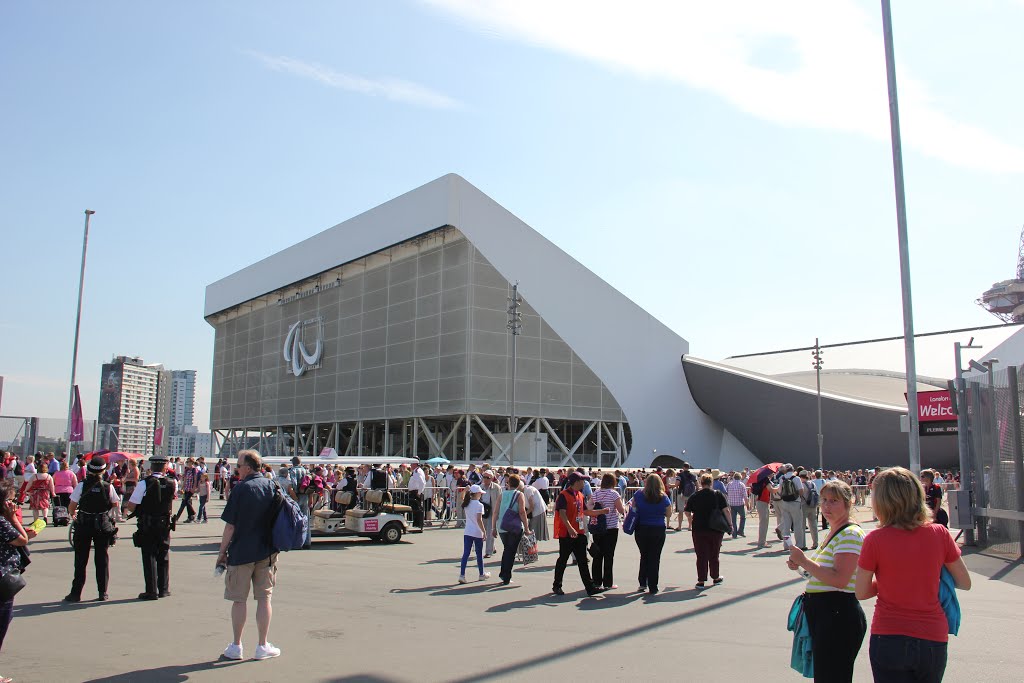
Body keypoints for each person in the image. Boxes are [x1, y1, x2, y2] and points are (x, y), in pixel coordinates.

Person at [855, 468, 971, 683]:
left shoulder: (875, 539)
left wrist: (892, 579)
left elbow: (861, 592)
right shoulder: (940, 533)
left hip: (889, 635)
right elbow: (964, 582)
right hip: (932, 635)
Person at [787, 480, 866, 683]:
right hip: (828, 613)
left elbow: (840, 579)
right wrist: (802, 565)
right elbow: (824, 574)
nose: (826, 506)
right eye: (824, 500)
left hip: (837, 614)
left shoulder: (849, 534)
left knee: (832, 675)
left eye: (834, 501)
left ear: (848, 504)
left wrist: (804, 561)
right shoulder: (835, 532)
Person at [218, 450, 281, 661]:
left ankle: (236, 645)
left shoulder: (241, 489)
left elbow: (230, 526)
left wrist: (221, 553)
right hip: (267, 550)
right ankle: (262, 645)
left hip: (241, 551)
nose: (237, 468)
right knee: (264, 598)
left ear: (248, 467)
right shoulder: (272, 486)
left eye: (239, 465)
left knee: (239, 600)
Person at [63, 456, 119, 602]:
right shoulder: (108, 486)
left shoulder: (82, 485)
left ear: (89, 470)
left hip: (84, 523)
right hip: (101, 523)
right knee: (102, 558)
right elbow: (115, 504)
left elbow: (72, 506)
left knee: (81, 560)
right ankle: (103, 592)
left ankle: (76, 593)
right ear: (104, 470)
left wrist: (74, 514)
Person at [125, 454, 177, 600]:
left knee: (149, 556)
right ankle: (164, 589)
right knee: (163, 555)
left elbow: (131, 506)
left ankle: (151, 590)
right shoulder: (173, 483)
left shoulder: (144, 483)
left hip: (147, 523)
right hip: (164, 523)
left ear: (151, 467)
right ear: (165, 467)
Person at [552, 473, 606, 596]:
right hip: (567, 534)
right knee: (563, 560)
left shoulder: (580, 495)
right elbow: (562, 513)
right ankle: (557, 585)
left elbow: (586, 511)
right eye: (583, 481)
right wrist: (570, 528)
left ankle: (590, 587)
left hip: (579, 533)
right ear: (576, 482)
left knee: (582, 561)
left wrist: (601, 512)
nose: (585, 483)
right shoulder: (563, 495)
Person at [1, 478, 29, 677]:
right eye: (12, 501)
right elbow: (22, 540)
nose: (14, 505)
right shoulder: (2, 522)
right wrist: (14, 518)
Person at [684, 472, 730, 589]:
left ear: (701, 482)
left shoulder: (695, 496)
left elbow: (687, 511)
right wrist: (730, 524)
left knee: (701, 555)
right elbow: (726, 510)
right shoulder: (718, 495)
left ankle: (701, 580)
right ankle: (715, 577)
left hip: (699, 528)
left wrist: (690, 521)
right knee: (714, 554)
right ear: (711, 483)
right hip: (715, 528)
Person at [631, 473, 672, 595]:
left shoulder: (638, 494)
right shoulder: (663, 497)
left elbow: (633, 509)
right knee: (655, 557)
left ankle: (642, 582)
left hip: (642, 528)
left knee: (644, 555)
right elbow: (669, 513)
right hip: (658, 528)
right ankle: (653, 585)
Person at [590, 473, 625, 591]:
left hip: (598, 528)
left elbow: (589, 506)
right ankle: (608, 582)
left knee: (597, 555)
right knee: (609, 556)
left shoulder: (596, 493)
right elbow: (621, 510)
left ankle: (596, 581)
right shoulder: (614, 494)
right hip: (611, 528)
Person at [497, 474, 529, 586]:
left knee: (507, 550)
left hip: (502, 525)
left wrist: (493, 527)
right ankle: (506, 575)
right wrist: (527, 527)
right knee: (510, 552)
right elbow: (522, 512)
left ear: (508, 483)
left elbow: (496, 512)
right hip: (515, 526)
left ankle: (503, 573)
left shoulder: (502, 494)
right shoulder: (520, 494)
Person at [458, 484, 489, 584]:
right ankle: (481, 574)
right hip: (477, 532)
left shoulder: (467, 503)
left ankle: (462, 575)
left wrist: (465, 490)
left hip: (468, 531)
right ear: (478, 494)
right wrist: (484, 531)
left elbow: (461, 498)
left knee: (466, 553)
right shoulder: (479, 505)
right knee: (479, 554)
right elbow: (479, 520)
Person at [288, 456, 312, 549]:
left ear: (293, 463)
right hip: (305, 495)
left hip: (296, 496)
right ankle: (307, 541)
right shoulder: (306, 470)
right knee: (306, 518)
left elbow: (293, 483)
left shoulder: (293, 471)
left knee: (295, 519)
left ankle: (297, 541)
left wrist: (294, 496)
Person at [480, 471, 502, 558]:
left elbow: (500, 500)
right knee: (481, 531)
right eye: (484, 477)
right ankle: (492, 547)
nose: (485, 479)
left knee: (490, 532)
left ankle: (488, 551)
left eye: (487, 478)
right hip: (482, 511)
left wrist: (498, 513)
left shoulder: (496, 488)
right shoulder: (480, 487)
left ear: (492, 478)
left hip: (492, 511)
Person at [174, 458, 199, 524]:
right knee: (187, 503)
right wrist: (182, 488)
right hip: (187, 488)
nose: (187, 463)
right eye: (187, 462)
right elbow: (185, 480)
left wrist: (194, 488)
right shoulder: (187, 470)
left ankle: (177, 518)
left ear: (191, 462)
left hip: (191, 488)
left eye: (188, 462)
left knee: (185, 502)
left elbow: (195, 479)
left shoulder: (194, 470)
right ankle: (190, 517)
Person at [799, 470, 820, 549]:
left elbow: (800, 495)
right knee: (813, 525)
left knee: (802, 525)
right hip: (813, 506)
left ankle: (803, 544)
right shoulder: (812, 484)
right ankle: (815, 543)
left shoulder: (801, 485)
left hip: (804, 506)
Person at [726, 471, 747, 539]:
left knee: (733, 519)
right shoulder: (742, 484)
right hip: (740, 503)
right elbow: (745, 496)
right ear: (740, 477)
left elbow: (726, 492)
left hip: (731, 504)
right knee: (743, 517)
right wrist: (747, 504)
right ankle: (740, 530)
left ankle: (734, 533)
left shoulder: (729, 484)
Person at [407, 462, 426, 530]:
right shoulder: (415, 471)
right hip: (414, 492)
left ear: (415, 464)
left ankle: (419, 525)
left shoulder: (418, 471)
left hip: (416, 492)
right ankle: (416, 524)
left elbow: (422, 482)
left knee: (417, 509)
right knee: (415, 509)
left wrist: (419, 492)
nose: (410, 465)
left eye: (411, 464)